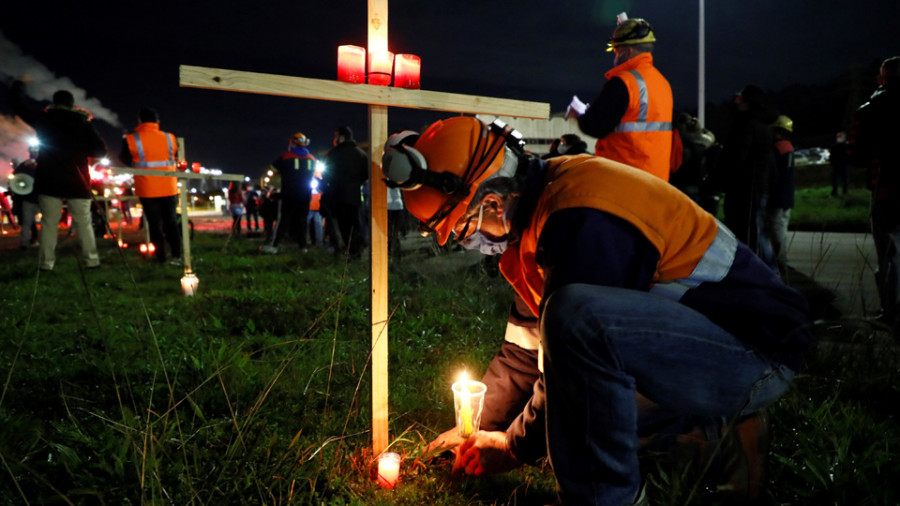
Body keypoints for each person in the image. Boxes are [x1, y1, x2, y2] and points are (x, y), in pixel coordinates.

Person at [380, 116, 814, 505]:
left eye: (460, 228)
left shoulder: (581, 216)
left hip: (756, 356)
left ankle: (609, 496)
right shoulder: (541, 215)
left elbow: (571, 360)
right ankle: (705, 434)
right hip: (710, 345)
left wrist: (512, 447)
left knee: (574, 397)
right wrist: (476, 426)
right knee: (574, 416)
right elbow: (523, 350)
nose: (467, 242)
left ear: (492, 203)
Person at [9, 79, 107, 271]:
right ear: (73, 105)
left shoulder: (45, 119)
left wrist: (18, 88)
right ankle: (91, 261)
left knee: (49, 223)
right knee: (84, 222)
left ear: (54, 103)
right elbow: (100, 152)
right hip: (77, 181)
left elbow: (19, 107)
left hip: (49, 180)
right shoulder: (84, 124)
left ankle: (46, 263)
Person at [567, 13, 674, 181]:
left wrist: (579, 114)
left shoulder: (624, 83)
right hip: (656, 180)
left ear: (627, 51)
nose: (615, 57)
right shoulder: (662, 84)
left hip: (624, 179)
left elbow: (594, 126)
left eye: (616, 51)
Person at [849, 56, 900, 327]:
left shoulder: (870, 108)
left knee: (889, 254)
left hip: (886, 188)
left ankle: (892, 312)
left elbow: (855, 154)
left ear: (883, 78)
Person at [718, 85, 778, 255]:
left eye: (740, 98)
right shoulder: (764, 126)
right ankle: (769, 272)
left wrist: (722, 176)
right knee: (758, 234)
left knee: (744, 235)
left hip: (743, 190)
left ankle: (754, 274)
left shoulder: (745, 126)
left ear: (748, 102)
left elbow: (738, 158)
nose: (735, 101)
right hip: (757, 188)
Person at [120, 108, 182, 265]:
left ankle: (161, 257)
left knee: (154, 224)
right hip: (169, 186)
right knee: (171, 222)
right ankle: (177, 255)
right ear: (157, 122)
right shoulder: (170, 138)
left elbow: (124, 158)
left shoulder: (131, 139)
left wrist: (139, 169)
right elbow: (174, 157)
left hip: (147, 188)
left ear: (139, 121)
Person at [261, 132, 315, 253]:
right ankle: (303, 247)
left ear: (293, 143)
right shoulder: (312, 159)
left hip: (289, 194)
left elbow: (272, 170)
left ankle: (274, 245)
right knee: (302, 220)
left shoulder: (286, 157)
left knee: (283, 220)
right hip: (306, 195)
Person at [321, 126, 368, 257]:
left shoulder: (334, 154)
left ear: (341, 137)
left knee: (344, 226)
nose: (334, 140)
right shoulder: (360, 153)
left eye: (336, 137)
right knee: (356, 224)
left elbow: (327, 175)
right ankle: (357, 251)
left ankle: (349, 251)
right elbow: (366, 174)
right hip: (355, 196)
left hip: (338, 195)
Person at [765, 115, 797, 275]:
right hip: (788, 196)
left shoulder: (776, 149)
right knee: (782, 230)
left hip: (777, 197)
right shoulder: (789, 147)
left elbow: (772, 174)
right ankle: (781, 260)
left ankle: (779, 262)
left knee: (774, 231)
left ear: (777, 131)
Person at [10, 157, 40, 249]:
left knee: (27, 223)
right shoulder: (39, 170)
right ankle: (28, 242)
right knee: (29, 222)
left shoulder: (21, 170)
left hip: (29, 200)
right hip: (36, 200)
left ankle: (25, 243)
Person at [829, 131, 851, 196]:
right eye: (838, 137)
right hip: (837, 165)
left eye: (840, 137)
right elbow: (832, 156)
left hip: (844, 164)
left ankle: (844, 192)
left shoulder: (846, 146)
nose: (839, 138)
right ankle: (835, 192)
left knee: (845, 179)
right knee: (836, 179)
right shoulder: (835, 147)